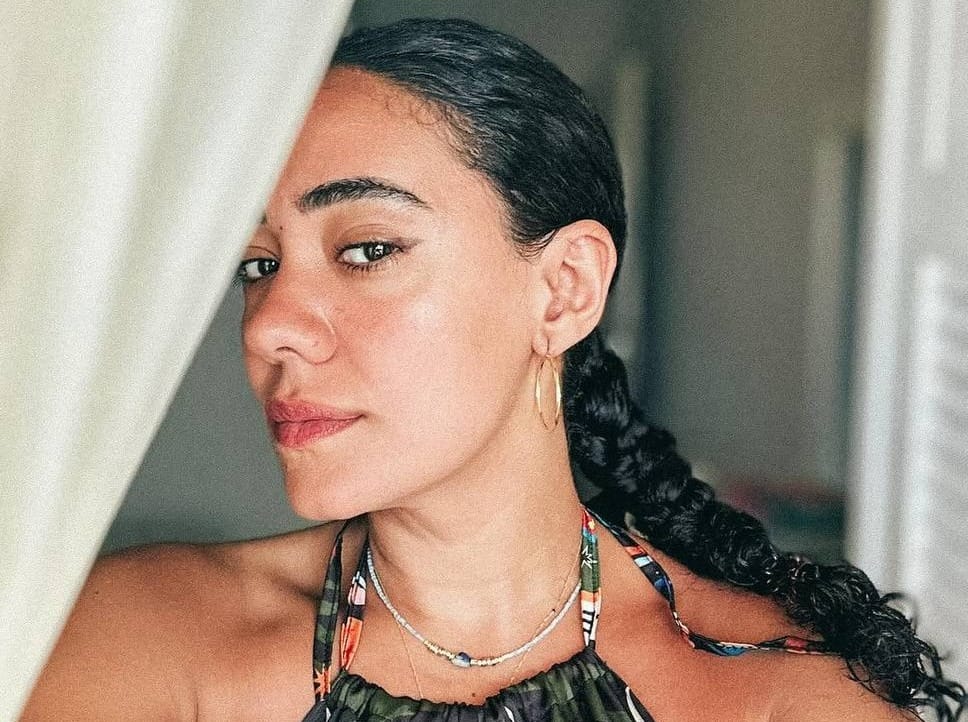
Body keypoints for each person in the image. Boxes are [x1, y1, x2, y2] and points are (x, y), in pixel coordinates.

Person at [22, 17, 965, 722]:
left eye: (367, 249)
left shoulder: (776, 699)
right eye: (257, 265)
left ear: (563, 290)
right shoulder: (138, 639)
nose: (271, 326)